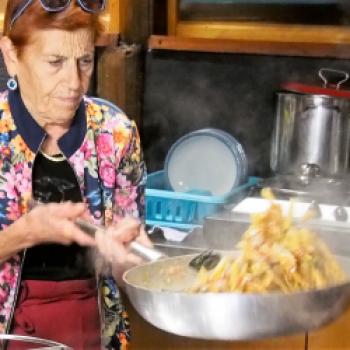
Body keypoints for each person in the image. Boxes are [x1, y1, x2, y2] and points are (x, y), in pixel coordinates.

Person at [0, 0, 151, 349]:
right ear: (11, 55)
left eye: (84, 61)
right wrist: (22, 235)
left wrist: (132, 261)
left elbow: (126, 271)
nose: (74, 83)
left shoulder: (116, 134)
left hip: (92, 335)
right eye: (55, 63)